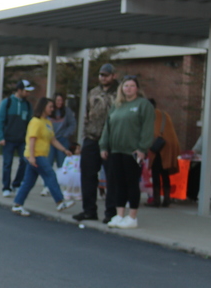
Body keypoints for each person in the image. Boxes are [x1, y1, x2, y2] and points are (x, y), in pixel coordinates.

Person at [100, 75, 154, 229]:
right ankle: (119, 215)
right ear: (121, 89)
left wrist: (142, 148)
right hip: (116, 150)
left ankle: (132, 217)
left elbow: (147, 128)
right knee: (118, 183)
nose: (128, 89)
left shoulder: (143, 105)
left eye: (131, 86)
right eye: (126, 86)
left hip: (133, 152)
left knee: (132, 183)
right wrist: (103, 146)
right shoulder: (117, 105)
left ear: (137, 88)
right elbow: (108, 127)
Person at [10, 97, 74, 216]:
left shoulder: (47, 122)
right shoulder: (36, 121)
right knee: (50, 174)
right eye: (50, 107)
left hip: (40, 155)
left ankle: (17, 204)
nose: (52, 109)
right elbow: (32, 139)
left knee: (28, 182)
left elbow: (52, 140)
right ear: (43, 107)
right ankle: (60, 201)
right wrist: (32, 156)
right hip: (36, 155)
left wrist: (64, 150)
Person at [74, 63, 119, 223]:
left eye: (106, 75)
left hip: (111, 141)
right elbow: (86, 115)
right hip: (92, 138)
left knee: (112, 177)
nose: (103, 77)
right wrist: (84, 137)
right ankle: (89, 211)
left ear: (113, 76)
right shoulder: (93, 92)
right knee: (87, 175)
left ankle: (111, 213)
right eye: (101, 75)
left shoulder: (120, 93)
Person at [0, 80, 34, 197]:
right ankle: (6, 187)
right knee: (7, 163)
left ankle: (17, 184)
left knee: (25, 161)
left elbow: (30, 123)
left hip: (22, 140)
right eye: (26, 91)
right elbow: (0, 120)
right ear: (19, 90)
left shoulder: (27, 105)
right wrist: (0, 136)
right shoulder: (7, 103)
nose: (28, 94)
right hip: (8, 139)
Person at [146, 99, 180, 208]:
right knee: (165, 173)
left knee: (156, 173)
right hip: (168, 146)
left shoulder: (151, 116)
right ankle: (166, 199)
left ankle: (156, 200)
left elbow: (150, 132)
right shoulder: (165, 115)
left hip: (158, 147)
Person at [49, 93, 76, 169]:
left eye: (61, 100)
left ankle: (61, 176)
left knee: (62, 164)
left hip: (62, 139)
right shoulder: (49, 110)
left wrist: (66, 134)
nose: (60, 102)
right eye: (58, 100)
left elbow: (73, 124)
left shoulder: (67, 111)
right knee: (48, 163)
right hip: (50, 140)